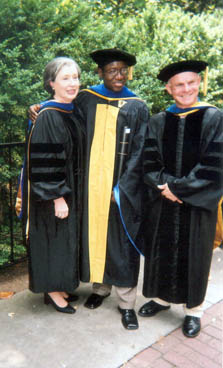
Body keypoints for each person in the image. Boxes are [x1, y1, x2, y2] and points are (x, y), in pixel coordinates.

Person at [29, 48, 149, 329]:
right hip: (87, 189)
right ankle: (99, 289)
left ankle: (126, 303)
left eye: (122, 70)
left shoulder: (138, 107)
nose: (117, 76)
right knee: (95, 236)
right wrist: (36, 106)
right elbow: (61, 112)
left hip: (119, 190)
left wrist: (122, 189)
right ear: (100, 73)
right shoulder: (86, 98)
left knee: (120, 244)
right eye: (111, 70)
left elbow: (141, 153)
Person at [139, 60, 223, 337]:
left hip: (198, 204)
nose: (186, 89)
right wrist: (165, 187)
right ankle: (162, 300)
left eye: (191, 82)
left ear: (199, 82)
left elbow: (215, 165)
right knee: (161, 250)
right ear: (168, 88)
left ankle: (193, 310)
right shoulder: (158, 121)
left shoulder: (215, 118)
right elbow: (148, 162)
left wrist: (179, 189)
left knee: (195, 255)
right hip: (164, 201)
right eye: (179, 85)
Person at [24, 57, 84, 314]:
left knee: (63, 241)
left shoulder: (71, 109)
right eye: (65, 78)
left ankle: (59, 285)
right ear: (52, 83)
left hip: (69, 188)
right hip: (54, 194)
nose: (72, 83)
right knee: (52, 240)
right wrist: (57, 196)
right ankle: (51, 290)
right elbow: (44, 160)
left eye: (75, 77)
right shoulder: (49, 115)